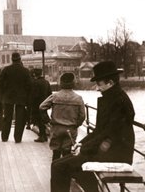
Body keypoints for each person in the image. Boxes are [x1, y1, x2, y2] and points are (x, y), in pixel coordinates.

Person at [50, 61, 135, 192]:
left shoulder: (119, 103)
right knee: (60, 164)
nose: (96, 88)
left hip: (116, 153)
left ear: (110, 83)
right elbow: (100, 131)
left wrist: (84, 148)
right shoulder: (114, 98)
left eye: (98, 84)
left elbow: (108, 133)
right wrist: (81, 144)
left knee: (59, 167)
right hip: (109, 149)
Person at [39, 72, 85, 160]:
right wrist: (76, 124)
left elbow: (42, 107)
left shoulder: (55, 96)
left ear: (61, 83)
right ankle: (65, 172)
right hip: (71, 129)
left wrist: (47, 120)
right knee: (67, 153)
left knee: (55, 152)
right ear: (73, 83)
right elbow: (82, 116)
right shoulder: (78, 98)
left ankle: (54, 171)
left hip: (56, 128)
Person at [0, 52, 32, 143]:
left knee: (7, 117)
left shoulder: (6, 70)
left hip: (8, 97)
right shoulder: (25, 71)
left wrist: (2, 95)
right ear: (20, 59)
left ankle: (4, 137)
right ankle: (17, 138)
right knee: (20, 118)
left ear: (12, 59)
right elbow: (29, 86)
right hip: (21, 98)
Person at [31, 68, 52, 142]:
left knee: (39, 120)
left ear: (34, 74)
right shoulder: (46, 82)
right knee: (43, 119)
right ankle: (44, 135)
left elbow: (33, 95)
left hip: (37, 104)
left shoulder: (35, 82)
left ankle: (42, 136)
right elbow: (50, 93)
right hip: (45, 103)